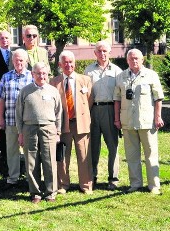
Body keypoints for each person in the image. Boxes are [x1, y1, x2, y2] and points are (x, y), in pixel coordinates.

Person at [113, 49, 165, 195]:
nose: (134, 61)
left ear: (142, 59)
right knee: (131, 155)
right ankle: (135, 183)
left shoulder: (151, 75)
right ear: (127, 60)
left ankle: (154, 185)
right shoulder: (121, 77)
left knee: (151, 154)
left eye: (137, 58)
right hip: (128, 122)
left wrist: (158, 117)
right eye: (131, 59)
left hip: (147, 121)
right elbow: (117, 99)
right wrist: (117, 119)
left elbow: (158, 98)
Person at [16, 62, 61, 203]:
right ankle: (35, 192)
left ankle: (50, 192)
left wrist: (58, 131)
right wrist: (20, 132)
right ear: (32, 74)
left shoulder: (53, 91)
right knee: (31, 161)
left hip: (48, 128)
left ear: (47, 74)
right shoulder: (25, 91)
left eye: (44, 73)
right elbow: (18, 113)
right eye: (38, 73)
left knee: (49, 160)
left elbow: (59, 113)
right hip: (29, 128)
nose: (41, 76)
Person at [50, 50, 94, 194]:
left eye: (71, 62)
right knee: (62, 156)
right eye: (65, 63)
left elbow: (90, 101)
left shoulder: (85, 80)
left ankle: (86, 185)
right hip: (63, 125)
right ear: (60, 64)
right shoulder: (54, 82)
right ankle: (63, 185)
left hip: (81, 123)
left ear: (74, 63)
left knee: (84, 156)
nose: (68, 65)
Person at [84, 41, 123, 190]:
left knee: (112, 146)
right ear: (95, 53)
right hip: (94, 110)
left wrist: (118, 116)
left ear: (110, 52)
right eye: (99, 51)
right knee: (93, 146)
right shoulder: (88, 71)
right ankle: (92, 176)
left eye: (105, 51)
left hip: (110, 109)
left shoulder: (117, 71)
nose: (102, 54)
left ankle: (113, 179)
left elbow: (120, 94)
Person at [0, 49, 32, 188]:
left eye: (21, 60)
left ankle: (30, 177)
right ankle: (13, 178)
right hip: (10, 119)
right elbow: (1, 99)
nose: (19, 62)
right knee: (11, 150)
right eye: (16, 60)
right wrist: (0, 118)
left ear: (26, 61)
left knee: (29, 150)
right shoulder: (6, 77)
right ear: (12, 61)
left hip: (28, 121)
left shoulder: (31, 76)